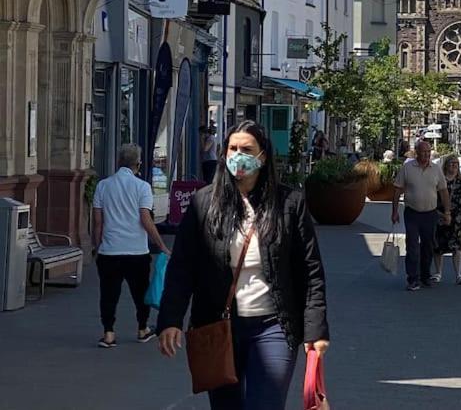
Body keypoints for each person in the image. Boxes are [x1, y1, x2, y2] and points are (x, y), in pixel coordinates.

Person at [157, 121, 329, 409]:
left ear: (263, 156)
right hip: (218, 326)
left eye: (247, 149)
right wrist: (170, 320)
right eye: (232, 148)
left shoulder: (289, 203)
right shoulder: (204, 203)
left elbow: (311, 272)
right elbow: (182, 266)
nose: (238, 155)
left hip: (274, 325)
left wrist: (316, 332)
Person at [92, 144, 170, 348]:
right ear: (139, 164)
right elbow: (146, 219)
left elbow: (98, 222)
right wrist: (161, 245)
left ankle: (108, 333)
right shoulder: (142, 187)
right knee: (140, 293)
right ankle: (142, 328)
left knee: (108, 294)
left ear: (118, 162)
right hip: (136, 251)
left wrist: (97, 247)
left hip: (109, 251)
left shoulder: (103, 186)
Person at [392, 140, 452, 291]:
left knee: (428, 246)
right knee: (412, 246)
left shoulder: (436, 169)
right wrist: (394, 211)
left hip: (430, 214)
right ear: (416, 152)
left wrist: (447, 211)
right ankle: (412, 278)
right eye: (423, 152)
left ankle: (425, 276)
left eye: (428, 152)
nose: (426, 155)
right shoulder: (407, 168)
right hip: (412, 213)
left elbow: (443, 191)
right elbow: (397, 189)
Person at [432, 155, 461, 285]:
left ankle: (458, 274)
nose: (454, 166)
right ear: (446, 165)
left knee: (457, 245)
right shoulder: (439, 180)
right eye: (451, 163)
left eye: (456, 163)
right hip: (440, 215)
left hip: (457, 217)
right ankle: (438, 273)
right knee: (438, 245)